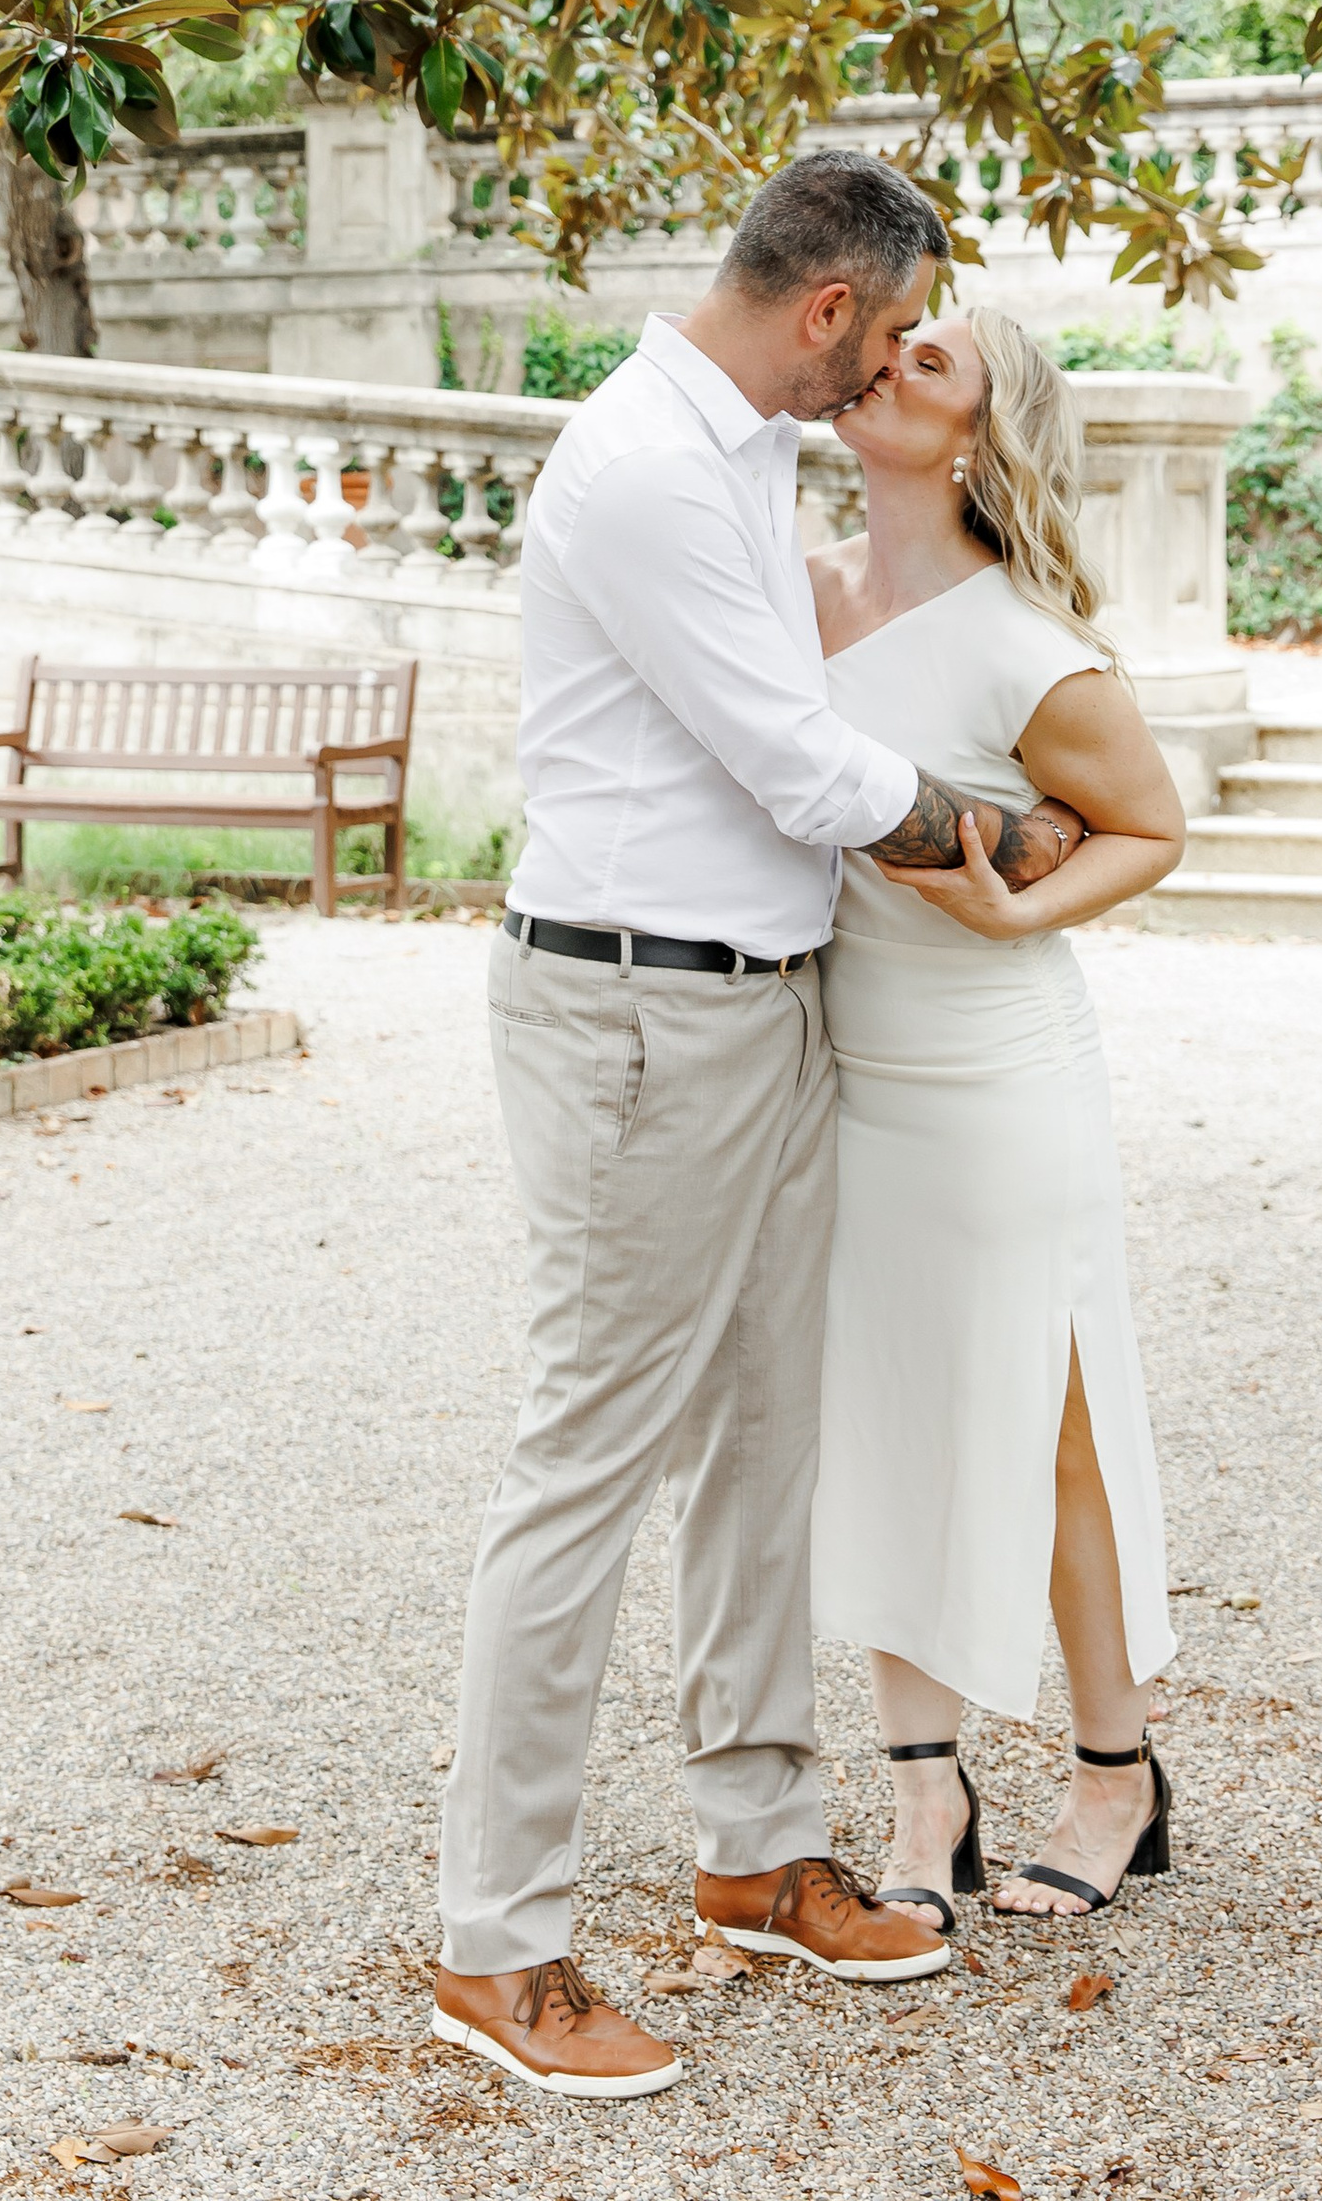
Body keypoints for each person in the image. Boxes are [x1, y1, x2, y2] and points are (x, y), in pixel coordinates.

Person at [430, 157, 1087, 2100]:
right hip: (634, 1008)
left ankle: (750, 1846)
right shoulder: (641, 466)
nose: (888, 369)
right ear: (827, 312)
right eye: (886, 336)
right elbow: (794, 761)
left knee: (759, 1443)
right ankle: (502, 1948)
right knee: (585, 1463)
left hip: (754, 997)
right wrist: (1011, 835)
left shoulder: (734, 448)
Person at [810, 305, 1188, 1929]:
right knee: (879, 1416)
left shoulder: (1025, 643)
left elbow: (1152, 827)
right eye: (887, 342)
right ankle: (923, 1794)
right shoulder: (795, 591)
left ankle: (1117, 1774)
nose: (887, 364)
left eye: (932, 362)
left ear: (980, 432)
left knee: (1052, 1425)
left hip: (991, 1071)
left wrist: (1024, 917)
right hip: (840, 1067)